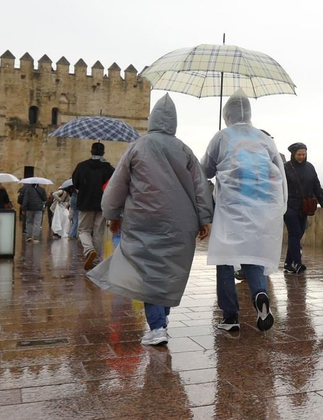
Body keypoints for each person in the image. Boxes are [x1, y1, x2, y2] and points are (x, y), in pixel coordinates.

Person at [88, 95, 213, 346]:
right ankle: (161, 321)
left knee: (147, 273)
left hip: (143, 220)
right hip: (181, 222)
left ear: (152, 120)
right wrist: (204, 218)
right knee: (168, 271)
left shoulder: (137, 146)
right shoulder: (185, 150)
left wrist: (112, 214)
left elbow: (117, 185)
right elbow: (201, 188)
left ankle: (157, 327)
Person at [202, 92, 286, 333]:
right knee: (253, 255)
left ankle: (231, 317)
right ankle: (260, 293)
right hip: (261, 208)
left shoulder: (221, 137)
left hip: (231, 208)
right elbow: (278, 173)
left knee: (225, 259)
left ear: (226, 114)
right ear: (249, 113)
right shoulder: (265, 139)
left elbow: (204, 169)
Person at [282, 142, 323, 274]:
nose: (302, 157)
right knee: (294, 232)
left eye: (304, 154)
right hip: (289, 206)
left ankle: (288, 263)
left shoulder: (310, 167)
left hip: (304, 207)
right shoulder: (285, 168)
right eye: (299, 154)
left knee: (300, 232)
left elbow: (316, 185)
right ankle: (297, 262)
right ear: (293, 154)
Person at [71, 142, 115, 270]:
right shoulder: (109, 169)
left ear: (91, 151)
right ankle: (95, 260)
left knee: (83, 230)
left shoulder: (82, 166)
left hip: (85, 202)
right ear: (103, 153)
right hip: (102, 204)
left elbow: (76, 183)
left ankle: (89, 250)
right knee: (98, 232)